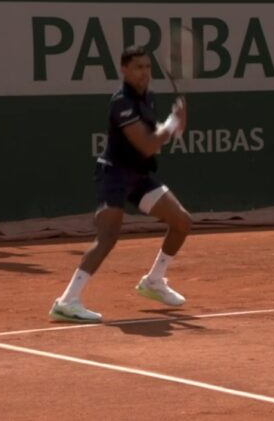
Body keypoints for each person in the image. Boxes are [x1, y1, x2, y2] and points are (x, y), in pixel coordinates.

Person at [49, 45, 192, 323]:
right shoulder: (121, 102)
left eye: (148, 67)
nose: (144, 73)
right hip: (114, 175)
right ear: (124, 70)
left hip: (140, 176)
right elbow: (148, 144)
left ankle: (154, 280)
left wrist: (174, 125)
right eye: (138, 67)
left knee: (182, 221)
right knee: (107, 238)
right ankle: (67, 301)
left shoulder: (148, 98)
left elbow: (154, 139)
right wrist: (171, 124)